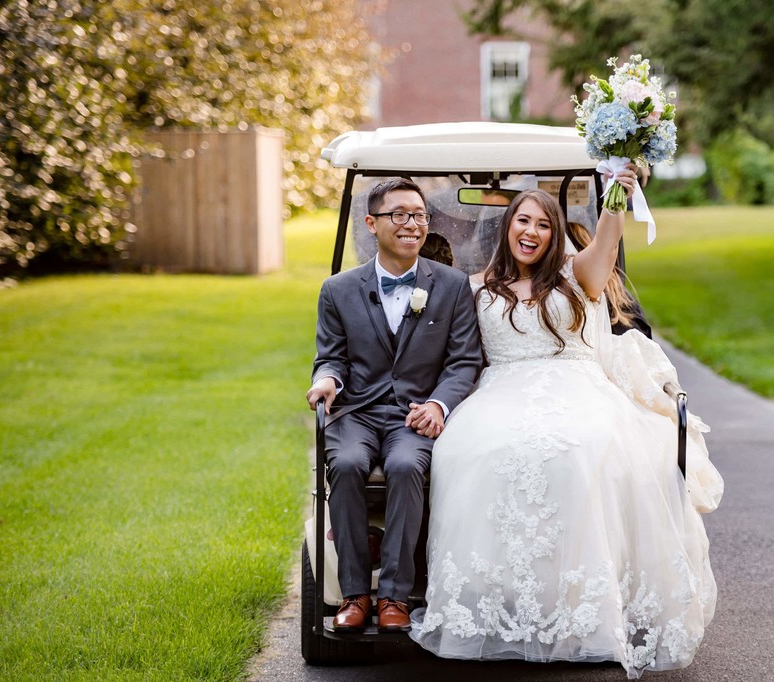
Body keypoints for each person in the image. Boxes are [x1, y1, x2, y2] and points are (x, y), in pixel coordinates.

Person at [409, 171, 724, 676]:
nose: (531, 232)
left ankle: (584, 604)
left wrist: (618, 188)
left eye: (543, 225)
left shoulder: (579, 275)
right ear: (508, 227)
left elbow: (608, 237)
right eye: (522, 221)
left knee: (580, 448)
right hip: (500, 390)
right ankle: (499, 600)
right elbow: (444, 344)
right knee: (472, 452)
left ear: (556, 234)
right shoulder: (475, 287)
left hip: (578, 387)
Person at [307, 178, 482, 633]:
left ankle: (395, 598)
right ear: (371, 223)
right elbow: (331, 355)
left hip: (414, 415)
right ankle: (353, 594)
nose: (413, 224)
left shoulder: (451, 285)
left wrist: (440, 405)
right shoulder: (338, 289)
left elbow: (464, 361)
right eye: (400, 214)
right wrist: (326, 379)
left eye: (420, 216)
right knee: (344, 464)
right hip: (358, 412)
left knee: (406, 467)